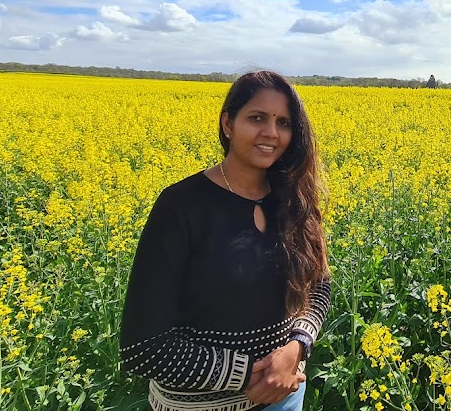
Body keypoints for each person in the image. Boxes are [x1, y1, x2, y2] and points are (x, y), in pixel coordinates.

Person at [120, 70, 331, 410]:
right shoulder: (181, 206)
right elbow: (143, 348)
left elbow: (319, 284)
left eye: (284, 123)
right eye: (257, 118)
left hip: (286, 396)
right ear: (227, 124)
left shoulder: (292, 200)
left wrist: (297, 348)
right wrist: (258, 374)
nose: (271, 133)